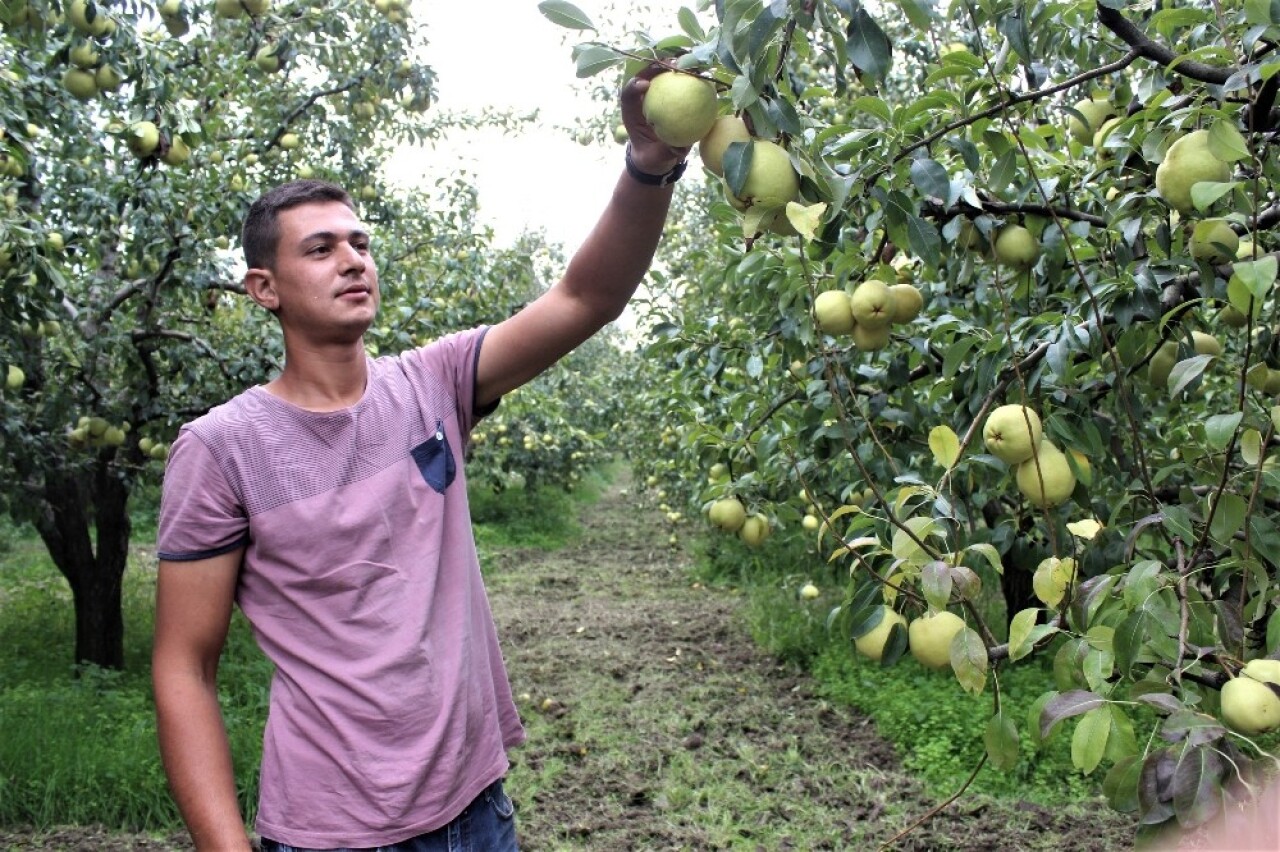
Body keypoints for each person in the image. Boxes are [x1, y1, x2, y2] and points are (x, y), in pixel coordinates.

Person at [151, 65, 689, 852]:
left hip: (477, 809)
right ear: (263, 287)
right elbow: (182, 667)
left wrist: (649, 163)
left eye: (361, 243)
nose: (353, 260)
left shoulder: (433, 383)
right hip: (332, 832)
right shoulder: (221, 449)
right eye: (322, 248)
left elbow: (585, 299)